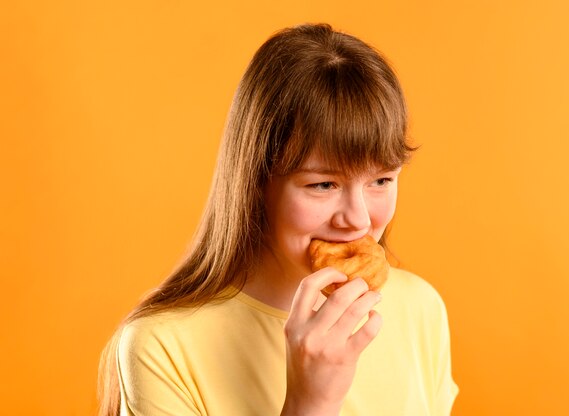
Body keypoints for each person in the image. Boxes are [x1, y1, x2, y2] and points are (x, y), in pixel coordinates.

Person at [98, 23, 458, 416]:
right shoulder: (160, 347)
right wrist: (311, 402)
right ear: (255, 183)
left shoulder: (420, 308)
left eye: (382, 180)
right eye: (323, 184)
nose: (358, 220)